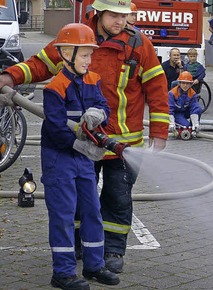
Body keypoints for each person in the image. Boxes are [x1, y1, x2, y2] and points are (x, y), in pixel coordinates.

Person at [0, 0, 170, 274]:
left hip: (123, 143)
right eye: (114, 14)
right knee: (80, 199)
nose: (119, 21)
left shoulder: (140, 45)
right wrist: (10, 76)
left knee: (118, 198)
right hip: (83, 141)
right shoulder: (78, 37)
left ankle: (113, 250)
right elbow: (41, 63)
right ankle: (81, 247)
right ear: (99, 13)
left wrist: (160, 130)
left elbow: (158, 88)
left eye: (124, 15)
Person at [41, 22, 119, 290]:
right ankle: (62, 273)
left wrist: (100, 113)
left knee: (92, 211)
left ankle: (94, 266)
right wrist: (84, 146)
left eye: (90, 54)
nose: (89, 60)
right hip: (59, 158)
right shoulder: (54, 88)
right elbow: (56, 129)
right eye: (84, 55)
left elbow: (103, 105)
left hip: (83, 161)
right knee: (63, 216)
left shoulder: (92, 79)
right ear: (66, 54)